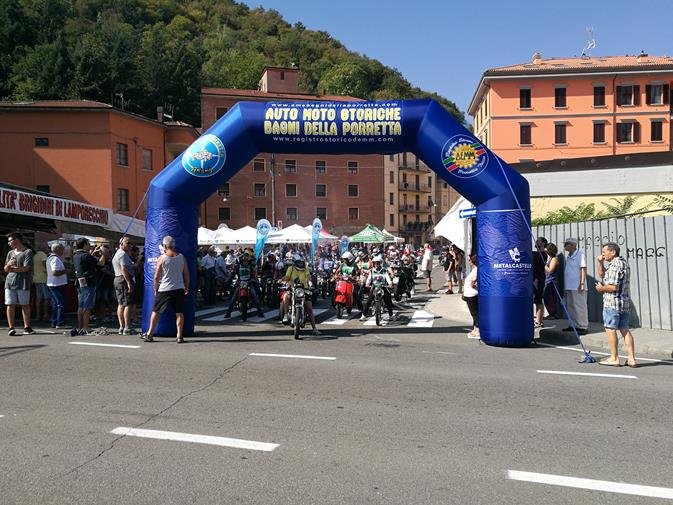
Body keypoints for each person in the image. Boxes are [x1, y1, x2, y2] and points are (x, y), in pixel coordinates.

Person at [595, 242, 636, 367]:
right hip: (624, 303)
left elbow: (613, 287)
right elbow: (602, 274)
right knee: (625, 330)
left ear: (613, 252)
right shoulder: (623, 263)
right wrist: (600, 263)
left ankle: (614, 358)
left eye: (604, 252)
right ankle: (631, 359)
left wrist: (601, 288)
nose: (603, 254)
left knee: (610, 329)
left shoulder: (614, 266)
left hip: (612, 302)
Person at [142, 236, 190, 343]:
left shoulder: (162, 258)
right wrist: (186, 286)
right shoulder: (182, 257)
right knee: (179, 313)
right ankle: (179, 336)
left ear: (164, 246)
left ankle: (150, 334)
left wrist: (155, 288)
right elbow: (186, 274)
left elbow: (156, 276)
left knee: (156, 311)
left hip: (165, 288)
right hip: (178, 288)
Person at [4, 232, 35, 336]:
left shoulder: (27, 252)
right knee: (10, 304)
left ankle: (27, 327)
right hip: (10, 282)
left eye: (10, 241)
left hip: (23, 282)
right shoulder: (10, 253)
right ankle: (11, 327)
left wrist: (12, 269)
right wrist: (9, 265)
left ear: (16, 240)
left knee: (24, 304)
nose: (8, 243)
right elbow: (5, 269)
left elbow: (26, 268)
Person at [281, 254, 320, 337]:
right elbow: (287, 277)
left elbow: (309, 278)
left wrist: (311, 284)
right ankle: (286, 315)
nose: (301, 264)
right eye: (299, 262)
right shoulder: (291, 268)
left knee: (309, 307)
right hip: (293, 289)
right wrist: (284, 282)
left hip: (304, 290)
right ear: (295, 262)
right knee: (285, 296)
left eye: (302, 262)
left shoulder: (305, 268)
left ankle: (314, 328)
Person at [72, 238, 105, 335]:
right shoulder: (86, 255)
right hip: (88, 282)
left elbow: (86, 262)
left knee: (81, 305)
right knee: (87, 305)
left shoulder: (76, 255)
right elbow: (101, 263)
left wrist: (92, 254)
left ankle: (80, 326)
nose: (90, 245)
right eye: (88, 244)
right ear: (84, 245)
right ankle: (86, 327)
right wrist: (103, 254)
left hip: (79, 281)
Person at [562, 238, 588, 335]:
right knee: (571, 306)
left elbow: (583, 268)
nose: (565, 246)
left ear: (573, 245)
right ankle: (573, 325)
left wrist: (582, 283)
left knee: (579, 306)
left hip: (577, 285)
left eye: (567, 244)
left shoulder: (580, 254)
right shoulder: (569, 256)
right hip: (569, 285)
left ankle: (582, 326)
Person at [112, 236, 137, 335]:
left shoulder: (119, 253)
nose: (130, 245)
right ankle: (127, 327)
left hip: (118, 279)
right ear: (121, 244)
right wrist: (129, 283)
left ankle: (122, 327)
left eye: (130, 243)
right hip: (123, 279)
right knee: (127, 304)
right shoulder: (122, 254)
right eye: (128, 243)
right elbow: (124, 269)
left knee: (121, 304)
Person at [360, 255, 394, 321]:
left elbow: (387, 277)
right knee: (368, 301)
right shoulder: (372, 271)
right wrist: (367, 283)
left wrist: (390, 283)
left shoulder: (384, 270)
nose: (376, 265)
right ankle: (364, 315)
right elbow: (369, 278)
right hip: (374, 287)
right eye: (375, 263)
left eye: (377, 263)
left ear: (380, 263)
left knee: (388, 300)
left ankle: (391, 315)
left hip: (383, 287)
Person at [46, 243, 68, 329]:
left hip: (53, 283)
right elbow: (55, 272)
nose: (63, 251)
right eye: (62, 249)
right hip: (57, 284)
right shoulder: (55, 259)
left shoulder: (50, 258)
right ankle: (60, 322)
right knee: (60, 303)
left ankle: (54, 321)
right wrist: (65, 271)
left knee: (55, 304)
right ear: (58, 249)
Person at [543, 243, 562, 320]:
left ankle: (553, 314)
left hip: (552, 281)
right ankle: (551, 313)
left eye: (546, 249)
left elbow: (551, 270)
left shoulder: (554, 259)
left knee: (549, 298)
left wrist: (544, 266)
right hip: (548, 280)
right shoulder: (550, 258)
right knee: (547, 297)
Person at [533, 238, 548, 328]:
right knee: (537, 300)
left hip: (538, 279)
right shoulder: (536, 253)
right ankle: (539, 320)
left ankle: (539, 321)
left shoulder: (542, 254)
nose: (536, 241)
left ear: (543, 243)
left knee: (538, 300)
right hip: (535, 279)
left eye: (538, 240)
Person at [32, 244, 50, 323]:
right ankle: (46, 315)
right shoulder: (43, 254)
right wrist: (48, 271)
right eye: (47, 247)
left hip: (36, 279)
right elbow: (45, 264)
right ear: (43, 248)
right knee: (46, 298)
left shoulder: (34, 255)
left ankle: (38, 315)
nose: (48, 249)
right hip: (43, 278)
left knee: (38, 298)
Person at [463, 253, 479, 338]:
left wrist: (473, 284)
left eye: (470, 260)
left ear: (473, 262)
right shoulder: (474, 270)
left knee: (475, 313)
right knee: (474, 313)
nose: (469, 262)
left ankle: (477, 330)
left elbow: (474, 281)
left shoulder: (476, 270)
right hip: (469, 294)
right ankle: (475, 329)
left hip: (472, 294)